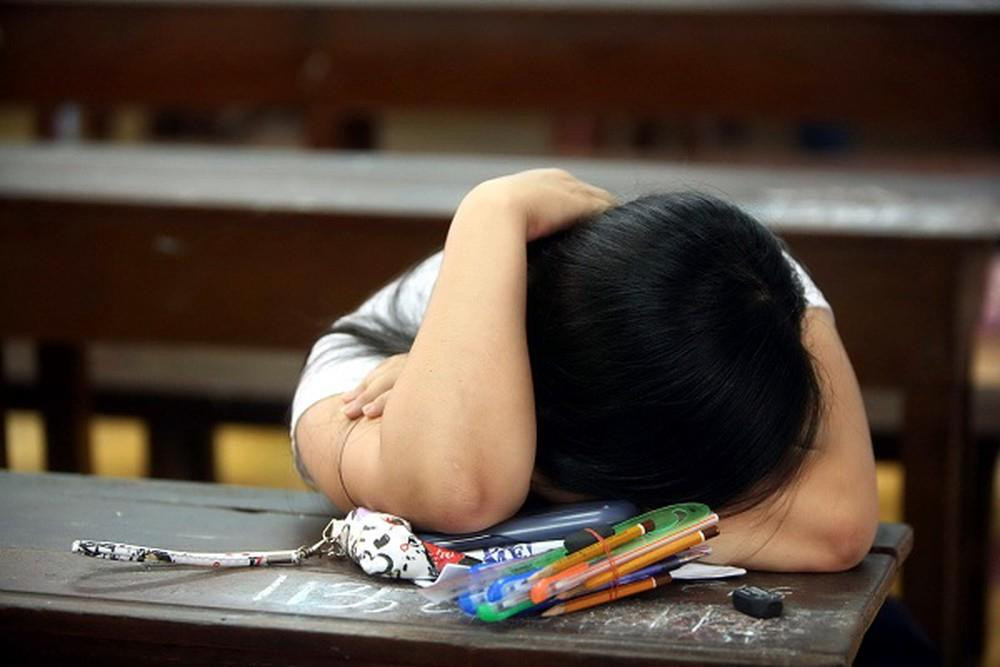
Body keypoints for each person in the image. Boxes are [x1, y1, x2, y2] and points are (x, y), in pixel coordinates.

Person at [292, 169, 878, 572]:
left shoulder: (742, 291)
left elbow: (837, 526)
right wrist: (491, 212)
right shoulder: (356, 368)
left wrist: (576, 515)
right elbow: (462, 492)